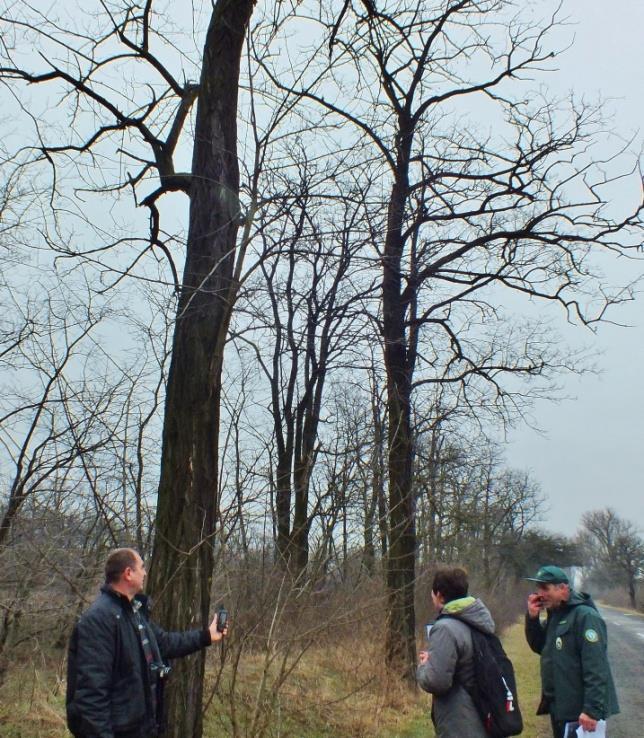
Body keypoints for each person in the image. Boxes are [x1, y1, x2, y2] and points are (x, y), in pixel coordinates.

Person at [66, 548, 228, 738]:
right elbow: (91, 697)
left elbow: (165, 643)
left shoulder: (134, 614)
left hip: (143, 729)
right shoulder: (99, 620)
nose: (145, 572)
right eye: (141, 567)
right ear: (128, 573)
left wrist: (206, 636)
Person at [524, 564, 619, 738]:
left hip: (579, 711)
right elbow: (540, 646)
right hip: (560, 706)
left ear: (563, 588)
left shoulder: (585, 616)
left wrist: (591, 710)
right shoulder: (556, 615)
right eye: (538, 588)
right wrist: (532, 618)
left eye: (545, 588)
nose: (540, 594)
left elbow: (596, 667)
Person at [416, 567, 492, 738]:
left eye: (433, 594)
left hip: (460, 723)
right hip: (483, 715)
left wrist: (424, 666)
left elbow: (436, 681)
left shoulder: (445, 628)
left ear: (440, 595)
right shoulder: (479, 620)